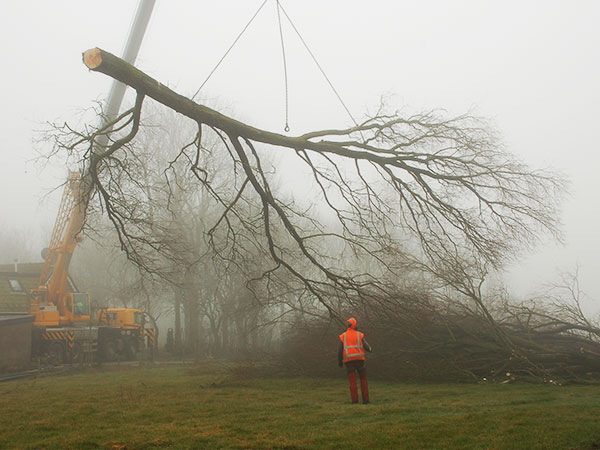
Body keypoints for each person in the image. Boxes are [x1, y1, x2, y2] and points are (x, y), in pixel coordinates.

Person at [338, 317, 372, 404]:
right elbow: (366, 346)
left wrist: (340, 362)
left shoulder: (343, 336)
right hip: (360, 360)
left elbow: (340, 350)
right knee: (363, 379)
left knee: (352, 381)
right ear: (355, 325)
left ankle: (354, 401)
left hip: (348, 361)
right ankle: (366, 400)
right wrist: (370, 349)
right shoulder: (359, 335)